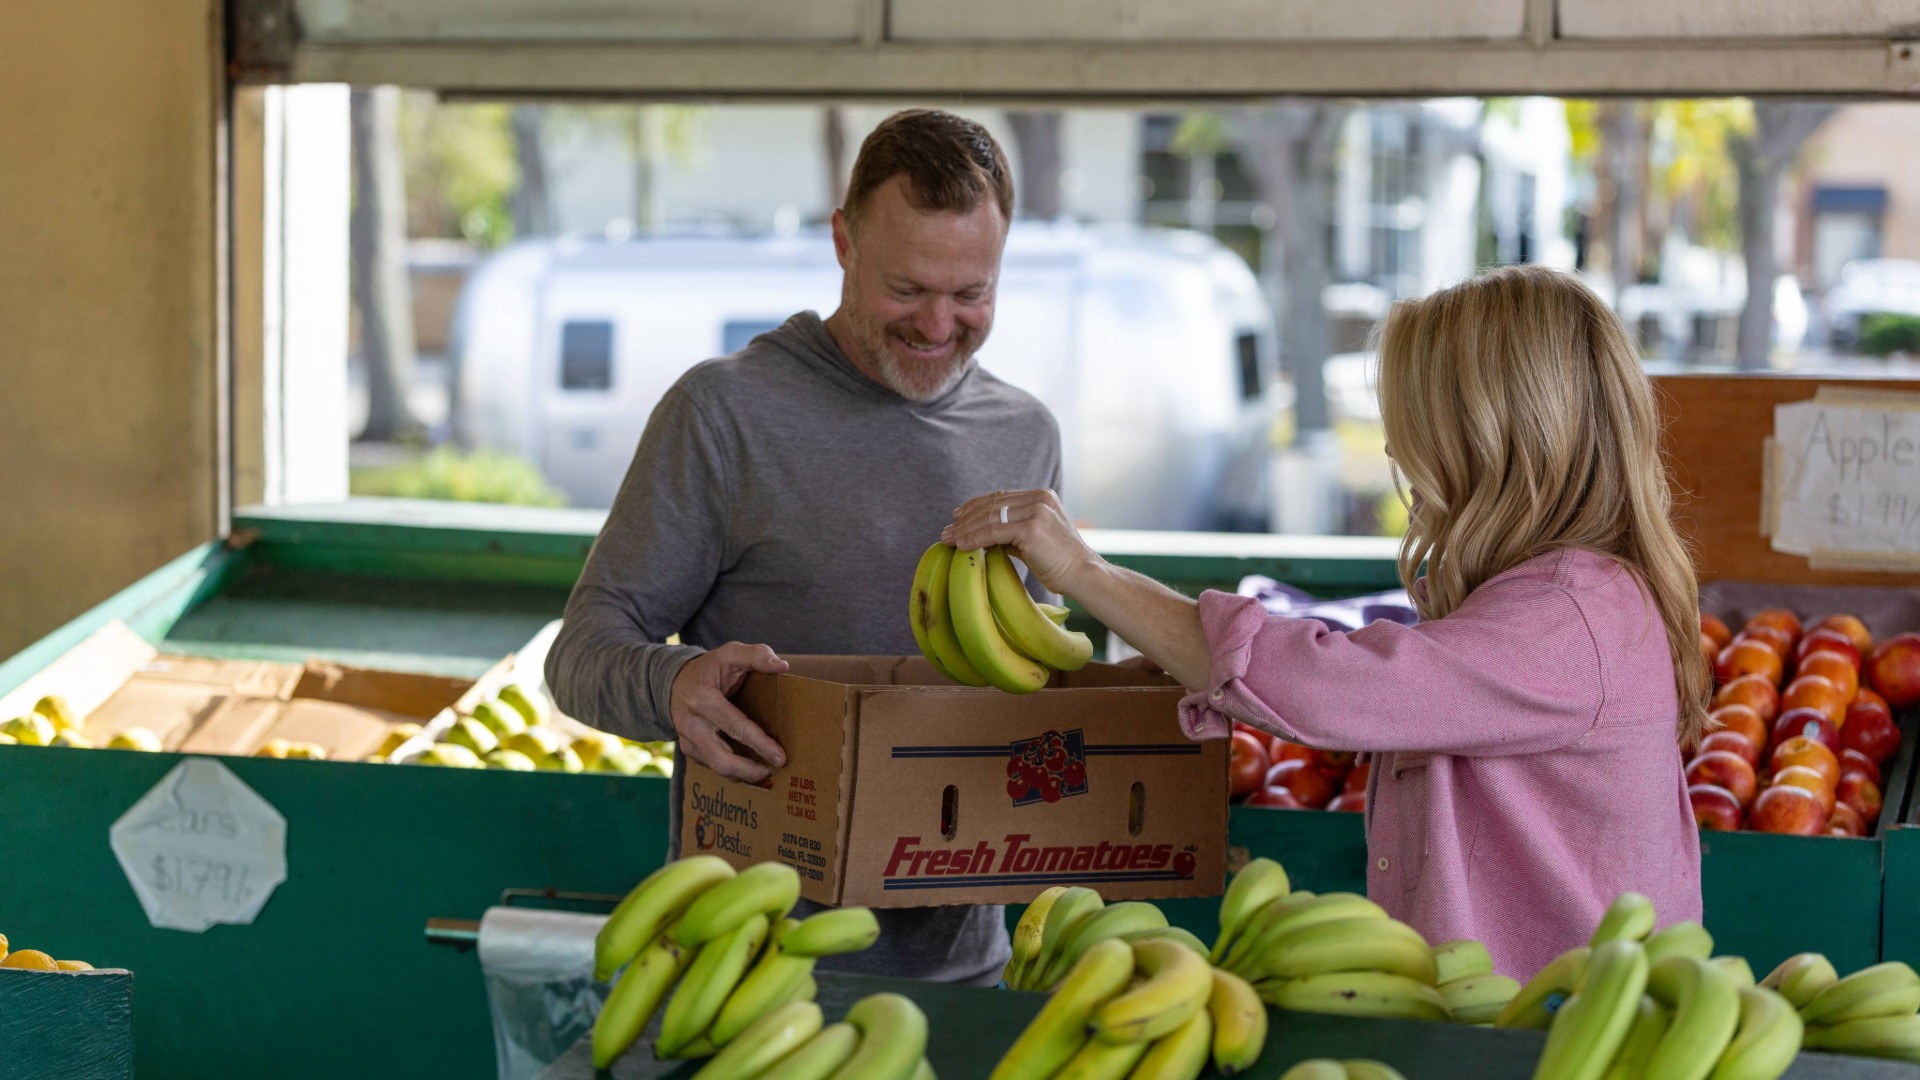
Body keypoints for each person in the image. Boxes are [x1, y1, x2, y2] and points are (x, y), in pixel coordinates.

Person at [941, 265, 1709, 979]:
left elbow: (1332, 689)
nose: (1394, 448)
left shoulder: (1571, 617)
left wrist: (1084, 572)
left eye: (1415, 422)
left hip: (1559, 1038)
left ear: (1490, 436)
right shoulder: (1557, 600)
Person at [545, 108, 1059, 986]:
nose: (939, 325)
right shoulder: (722, 414)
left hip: (965, 966)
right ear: (843, 243)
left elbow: (1030, 688)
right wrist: (674, 685)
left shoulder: (1025, 436)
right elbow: (579, 655)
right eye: (907, 290)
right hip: (749, 962)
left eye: (971, 293)